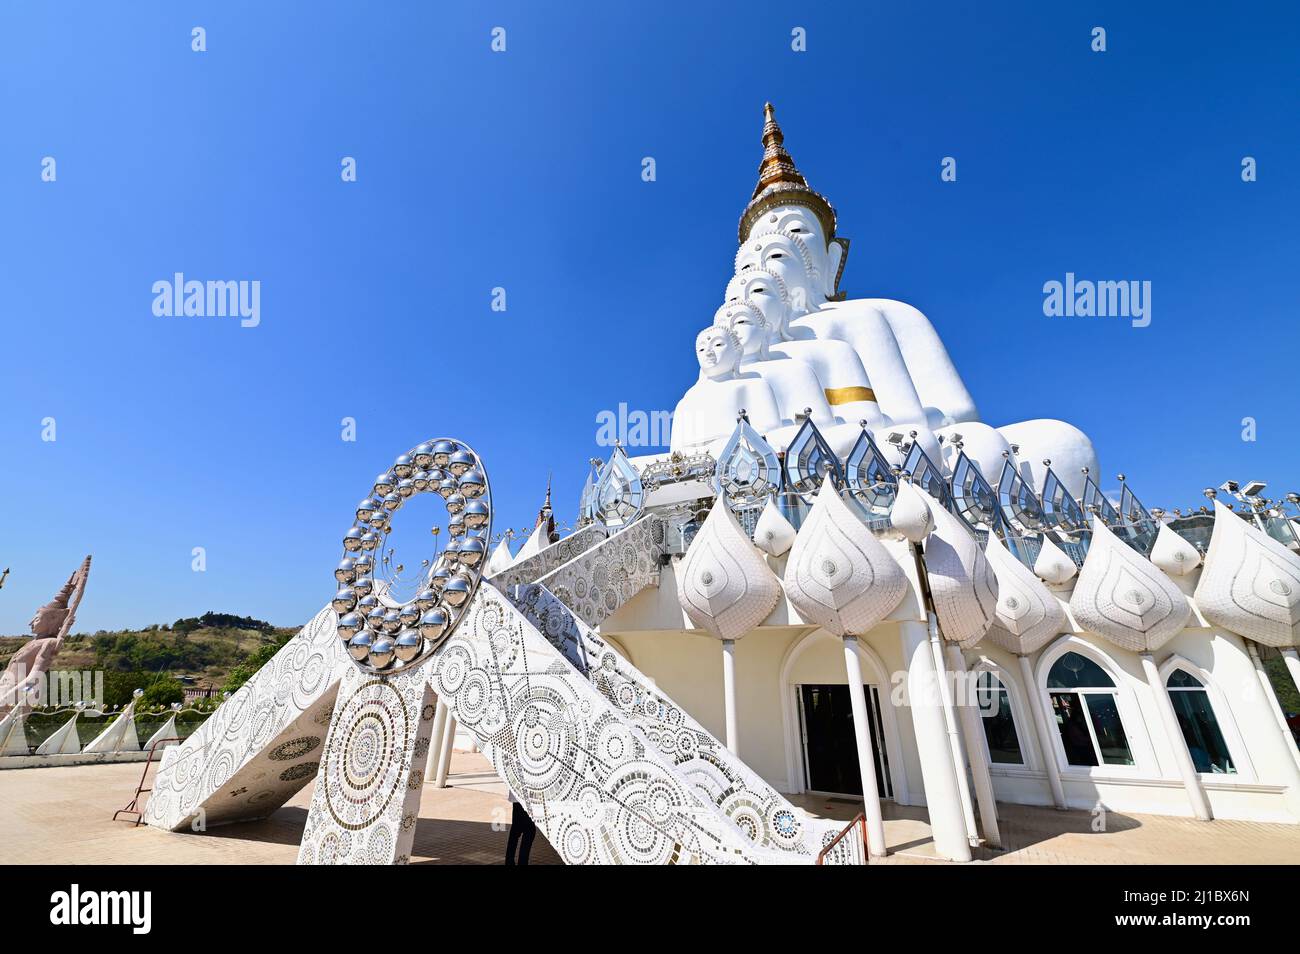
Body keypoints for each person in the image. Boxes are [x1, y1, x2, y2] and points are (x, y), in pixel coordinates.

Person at [505, 788, 536, 865]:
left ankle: (509, 861)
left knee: (516, 830)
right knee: (529, 831)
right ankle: (521, 862)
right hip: (525, 797)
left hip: (518, 795)